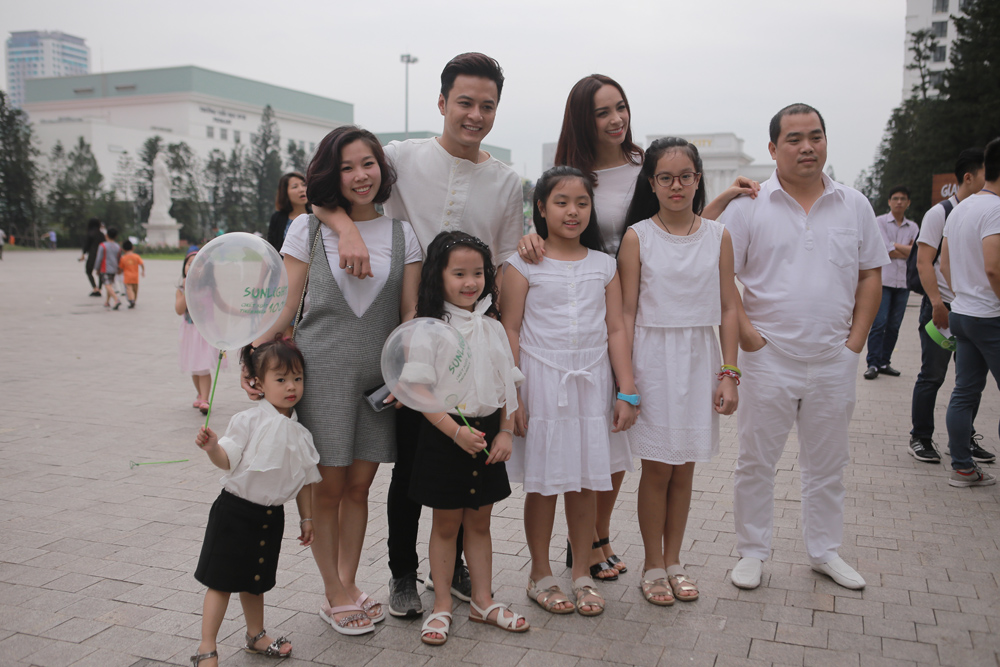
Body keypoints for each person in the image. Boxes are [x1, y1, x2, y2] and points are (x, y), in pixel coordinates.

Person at [517, 74, 759, 580]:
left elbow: (683, 220)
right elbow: (553, 217)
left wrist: (724, 201)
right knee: (603, 429)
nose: (616, 119)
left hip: (638, 304)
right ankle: (584, 543)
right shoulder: (575, 175)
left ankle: (598, 536)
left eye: (621, 107)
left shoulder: (643, 165)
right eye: (602, 112)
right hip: (595, 307)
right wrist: (529, 239)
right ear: (582, 120)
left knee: (618, 439)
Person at [314, 53, 522, 617]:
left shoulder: (507, 181)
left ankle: (455, 571)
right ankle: (403, 573)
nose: (475, 115)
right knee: (411, 464)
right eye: (465, 103)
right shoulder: (401, 158)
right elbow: (328, 186)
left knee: (466, 459)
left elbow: (504, 264)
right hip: (406, 331)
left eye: (487, 106)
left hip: (469, 336)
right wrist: (344, 230)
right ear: (442, 102)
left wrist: (504, 347)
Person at [246, 125, 421, 634]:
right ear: (331, 174)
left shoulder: (403, 234)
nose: (361, 175)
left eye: (368, 164)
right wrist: (252, 355)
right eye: (347, 167)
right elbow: (285, 306)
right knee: (328, 488)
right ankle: (332, 592)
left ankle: (348, 582)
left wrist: (407, 374)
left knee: (360, 487)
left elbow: (409, 314)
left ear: (381, 169)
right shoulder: (306, 229)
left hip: (378, 380)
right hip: (321, 373)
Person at [719, 103, 889, 591]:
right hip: (767, 358)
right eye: (794, 139)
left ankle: (824, 551)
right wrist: (750, 338)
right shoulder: (749, 206)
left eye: (816, 136)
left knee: (828, 464)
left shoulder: (853, 204)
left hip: (834, 358)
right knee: (756, 461)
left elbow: (870, 274)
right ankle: (752, 552)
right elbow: (721, 275)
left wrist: (855, 344)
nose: (807, 147)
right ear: (774, 149)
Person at [500, 166, 638, 617]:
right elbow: (510, 329)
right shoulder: (522, 265)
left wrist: (627, 389)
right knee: (543, 485)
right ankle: (540, 573)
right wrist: (513, 396)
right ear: (541, 208)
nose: (572, 211)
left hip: (592, 385)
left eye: (581, 202)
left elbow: (615, 329)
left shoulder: (604, 265)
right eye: (561, 202)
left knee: (586, 483)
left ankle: (581, 572)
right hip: (541, 385)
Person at [617, 138, 741, 605]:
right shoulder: (638, 237)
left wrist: (729, 372)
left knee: (684, 468)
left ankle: (674, 561)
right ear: (651, 183)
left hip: (698, 359)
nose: (676, 186)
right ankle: (652, 564)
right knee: (657, 469)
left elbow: (728, 308)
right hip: (652, 360)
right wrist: (627, 382)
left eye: (685, 176)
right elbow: (626, 313)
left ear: (698, 178)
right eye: (665, 178)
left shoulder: (718, 236)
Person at [408, 231, 528, 645]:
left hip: (487, 436)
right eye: (458, 273)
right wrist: (455, 431)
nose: (470, 282)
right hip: (445, 436)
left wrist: (507, 432)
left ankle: (482, 601)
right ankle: (442, 604)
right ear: (437, 276)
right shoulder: (428, 329)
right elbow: (419, 393)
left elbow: (508, 385)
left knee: (480, 522)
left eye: (478, 272)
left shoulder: (493, 327)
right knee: (446, 525)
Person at [189, 337, 320, 667]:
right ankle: (206, 647)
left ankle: (255, 635)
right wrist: (213, 448)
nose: (291, 387)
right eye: (281, 379)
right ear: (259, 383)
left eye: (297, 378)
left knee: (255, 582)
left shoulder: (301, 433)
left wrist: (307, 518)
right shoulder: (247, 420)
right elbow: (227, 460)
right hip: (234, 513)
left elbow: (305, 480)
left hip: (270, 516)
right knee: (221, 583)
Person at [910, 148, 992, 463]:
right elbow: (924, 262)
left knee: (970, 381)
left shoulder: (984, 211)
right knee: (932, 374)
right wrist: (936, 303)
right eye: (986, 173)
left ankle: (963, 438)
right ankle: (921, 437)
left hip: (972, 309)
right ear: (968, 177)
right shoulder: (940, 213)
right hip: (942, 307)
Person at [939, 136, 1000, 487]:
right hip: (991, 315)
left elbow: (945, 264)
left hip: (963, 312)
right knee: (966, 392)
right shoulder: (995, 210)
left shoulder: (961, 208)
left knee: (964, 392)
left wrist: (962, 294)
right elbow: (994, 268)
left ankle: (962, 467)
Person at [863, 185, 918, 380]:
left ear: (908, 202)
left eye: (903, 199)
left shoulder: (913, 227)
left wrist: (894, 246)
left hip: (903, 283)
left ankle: (884, 362)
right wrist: (903, 250)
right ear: (889, 201)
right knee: (879, 323)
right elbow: (884, 250)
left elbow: (916, 253)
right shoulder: (880, 222)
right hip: (883, 281)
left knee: (894, 325)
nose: (899, 202)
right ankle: (873, 363)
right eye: (895, 198)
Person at [177, 246, 225, 414]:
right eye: (189, 263)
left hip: (205, 333)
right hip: (190, 332)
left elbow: (222, 305)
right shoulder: (181, 289)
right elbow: (179, 310)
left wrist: (241, 312)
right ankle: (199, 394)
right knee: (195, 367)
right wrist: (187, 290)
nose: (193, 267)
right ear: (184, 267)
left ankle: (205, 398)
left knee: (203, 366)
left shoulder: (209, 288)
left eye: (198, 264)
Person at [267, 172, 310, 251]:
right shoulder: (277, 218)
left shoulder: (316, 217)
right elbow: (271, 247)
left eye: (304, 185)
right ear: (285, 192)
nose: (301, 189)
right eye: (295, 187)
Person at [94, 228, 122, 310]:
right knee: (109, 285)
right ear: (116, 236)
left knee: (107, 285)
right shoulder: (118, 246)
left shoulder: (102, 245)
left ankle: (116, 299)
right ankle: (107, 301)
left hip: (105, 268)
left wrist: (97, 268)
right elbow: (119, 258)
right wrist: (119, 268)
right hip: (114, 269)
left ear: (106, 235)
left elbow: (99, 258)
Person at [79, 219, 105, 296]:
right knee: (100, 272)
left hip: (92, 255)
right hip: (101, 255)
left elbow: (87, 245)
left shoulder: (90, 233)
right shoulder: (101, 234)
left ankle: (95, 288)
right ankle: (99, 289)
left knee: (88, 271)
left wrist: (83, 254)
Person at [118, 240, 145, 308]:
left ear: (123, 249)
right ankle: (134, 300)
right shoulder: (136, 256)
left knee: (129, 289)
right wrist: (143, 271)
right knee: (135, 289)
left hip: (127, 277)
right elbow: (142, 264)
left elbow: (120, 268)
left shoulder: (123, 258)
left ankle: (131, 300)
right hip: (135, 276)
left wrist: (119, 272)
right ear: (132, 248)